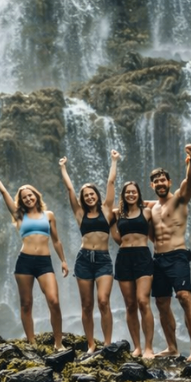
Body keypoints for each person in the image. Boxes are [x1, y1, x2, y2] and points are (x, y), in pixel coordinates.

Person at [0, 161, 69, 351]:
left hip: (45, 262)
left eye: (30, 195)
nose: (28, 199)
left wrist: (63, 260)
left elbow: (56, 241)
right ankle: (31, 343)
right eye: (24, 197)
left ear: (36, 196)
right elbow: (4, 192)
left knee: (54, 300)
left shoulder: (49, 215)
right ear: (21, 201)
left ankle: (58, 343)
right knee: (26, 303)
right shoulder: (19, 215)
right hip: (25, 262)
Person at [58, 151, 119, 354]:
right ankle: (92, 344)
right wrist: (63, 168)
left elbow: (111, 183)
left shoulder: (107, 209)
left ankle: (108, 344)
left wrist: (113, 161)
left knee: (103, 301)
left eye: (92, 194)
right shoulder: (79, 213)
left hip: (103, 261)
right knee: (86, 305)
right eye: (86, 196)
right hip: (84, 260)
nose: (89, 197)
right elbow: (70, 188)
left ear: (97, 195)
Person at [148, 144, 191, 361]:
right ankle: (172, 347)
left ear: (169, 182)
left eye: (163, 180)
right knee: (162, 302)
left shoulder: (179, 198)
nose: (160, 183)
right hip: (158, 259)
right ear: (152, 185)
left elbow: (190, 182)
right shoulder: (151, 208)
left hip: (177, 255)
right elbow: (151, 234)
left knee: (184, 297)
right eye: (156, 181)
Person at [110, 179, 155, 359]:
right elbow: (114, 234)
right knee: (130, 305)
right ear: (123, 195)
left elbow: (154, 233)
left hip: (143, 256)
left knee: (143, 301)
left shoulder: (148, 211)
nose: (130, 194)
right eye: (127, 192)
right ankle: (137, 347)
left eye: (133, 192)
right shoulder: (117, 214)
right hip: (124, 257)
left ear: (138, 193)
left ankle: (149, 348)